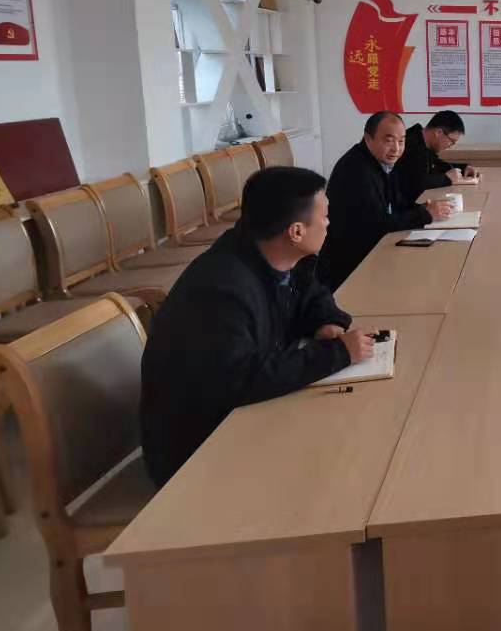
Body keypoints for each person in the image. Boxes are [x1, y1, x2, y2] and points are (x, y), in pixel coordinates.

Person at [141, 167, 374, 487]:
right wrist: (337, 353)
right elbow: (242, 380)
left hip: (239, 415)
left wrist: (326, 322)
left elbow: (310, 292)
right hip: (197, 452)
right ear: (296, 231)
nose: (329, 224)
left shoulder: (270, 249)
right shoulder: (221, 289)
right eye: (324, 216)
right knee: (336, 470)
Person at [320, 112, 456, 289]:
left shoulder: (379, 162)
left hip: (371, 250)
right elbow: (377, 224)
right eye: (389, 140)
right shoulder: (356, 171)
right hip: (350, 268)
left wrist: (424, 208)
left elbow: (396, 202)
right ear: (368, 138)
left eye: (401, 141)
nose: (396, 149)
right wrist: (424, 215)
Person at [394, 110, 479, 204]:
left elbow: (436, 164)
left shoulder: (422, 142)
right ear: (438, 132)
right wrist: (446, 179)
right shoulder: (410, 145)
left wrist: (463, 168)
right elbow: (415, 183)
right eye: (452, 141)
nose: (451, 146)